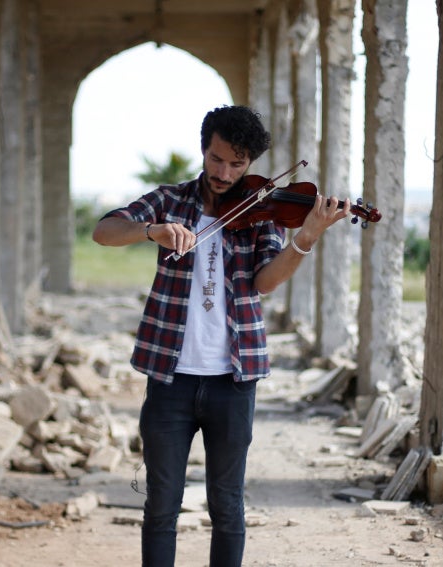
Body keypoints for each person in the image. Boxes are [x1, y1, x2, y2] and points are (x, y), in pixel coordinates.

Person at [92, 105, 351, 567]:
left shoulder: (263, 212)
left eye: (237, 163)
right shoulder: (170, 200)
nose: (224, 173)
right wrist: (151, 231)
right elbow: (103, 232)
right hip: (170, 379)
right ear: (203, 149)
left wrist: (306, 237)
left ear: (250, 163)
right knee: (161, 506)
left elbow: (265, 282)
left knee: (227, 506)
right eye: (216, 159)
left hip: (233, 380)